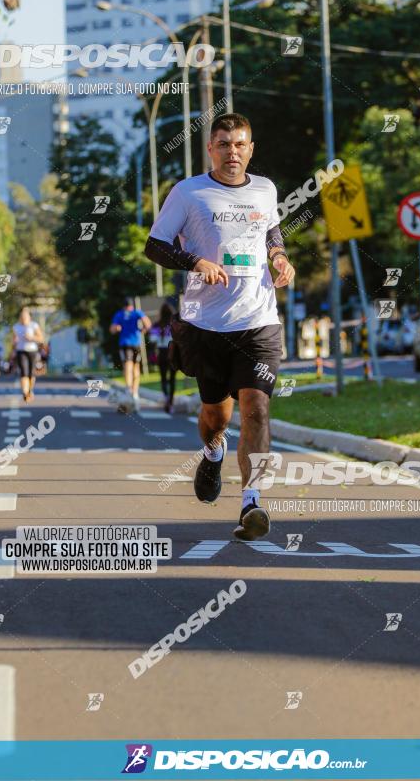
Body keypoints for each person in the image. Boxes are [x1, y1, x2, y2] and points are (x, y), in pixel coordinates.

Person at [145, 112, 295, 541]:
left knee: (257, 407)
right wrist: (196, 261)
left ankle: (252, 503)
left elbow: (272, 232)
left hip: (259, 319)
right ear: (210, 148)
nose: (233, 151)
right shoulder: (188, 193)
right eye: (224, 143)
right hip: (205, 324)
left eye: (240, 144)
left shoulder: (266, 190)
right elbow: (154, 245)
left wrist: (280, 257)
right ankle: (213, 453)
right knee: (216, 415)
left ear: (251, 149)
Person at [110, 297, 151, 406]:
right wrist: (144, 330)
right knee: (136, 366)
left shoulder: (120, 314)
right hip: (136, 343)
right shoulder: (137, 312)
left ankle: (128, 389)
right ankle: (135, 391)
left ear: (124, 306)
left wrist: (118, 328)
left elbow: (112, 329)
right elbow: (148, 323)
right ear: (132, 305)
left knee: (127, 365)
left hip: (125, 343)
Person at [12, 307, 44, 402]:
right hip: (21, 351)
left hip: (32, 351)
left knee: (31, 373)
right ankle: (25, 393)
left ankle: (30, 390)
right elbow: (13, 340)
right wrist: (14, 342)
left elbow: (41, 338)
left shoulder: (34, 325)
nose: (24, 318)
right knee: (24, 372)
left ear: (29, 317)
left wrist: (32, 337)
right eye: (22, 316)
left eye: (25, 316)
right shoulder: (16, 327)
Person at [150, 303, 177, 413]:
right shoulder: (175, 325)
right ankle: (171, 401)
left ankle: (165, 397)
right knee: (172, 379)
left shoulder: (157, 325)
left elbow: (152, 340)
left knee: (163, 378)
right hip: (173, 354)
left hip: (162, 354)